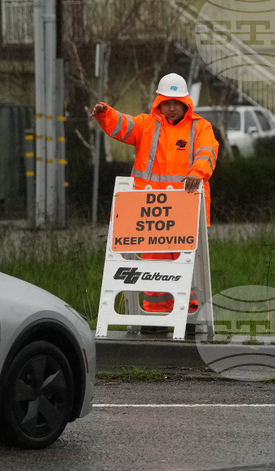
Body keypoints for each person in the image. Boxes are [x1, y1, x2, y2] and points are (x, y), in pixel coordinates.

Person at [91, 73, 218, 317]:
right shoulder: (146, 125)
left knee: (188, 265)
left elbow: (207, 151)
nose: (171, 108)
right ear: (158, 103)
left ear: (185, 104)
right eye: (166, 102)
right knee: (153, 264)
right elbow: (123, 125)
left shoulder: (200, 127)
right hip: (152, 213)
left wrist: (198, 172)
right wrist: (105, 113)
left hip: (186, 210)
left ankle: (191, 315)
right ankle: (155, 314)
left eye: (176, 102)